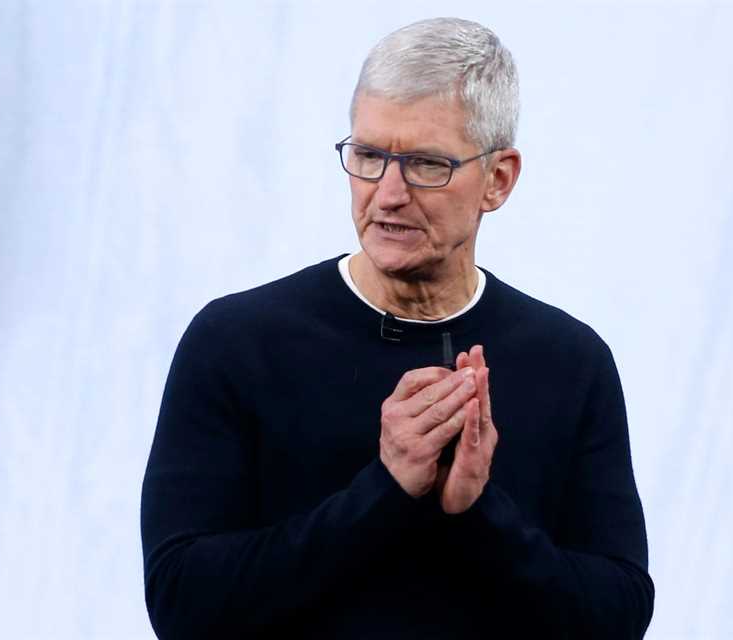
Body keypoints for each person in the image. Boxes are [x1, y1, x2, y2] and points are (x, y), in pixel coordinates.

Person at [140, 17, 653, 639]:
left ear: (498, 179)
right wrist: (382, 491)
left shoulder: (571, 362)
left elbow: (619, 619)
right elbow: (181, 607)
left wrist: (478, 510)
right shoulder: (235, 343)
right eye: (368, 156)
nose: (387, 195)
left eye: (426, 165)